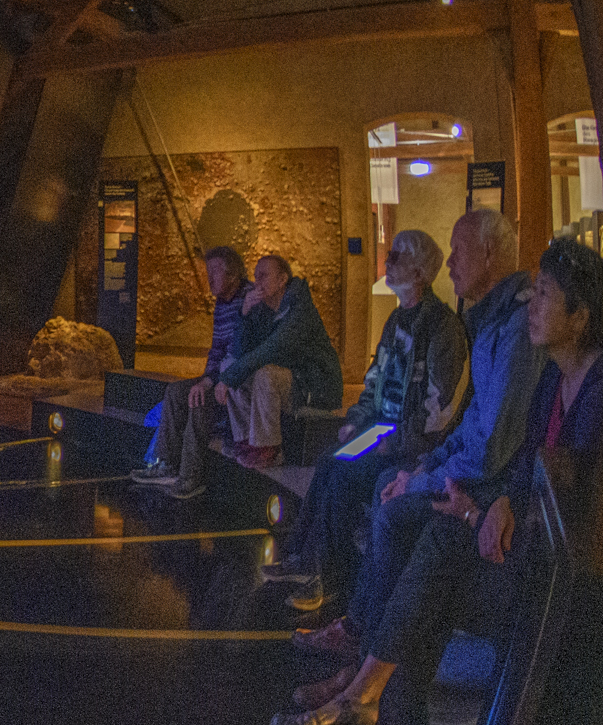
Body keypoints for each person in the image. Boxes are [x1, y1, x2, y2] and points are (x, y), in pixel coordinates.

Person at [272, 237, 603, 725]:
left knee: (437, 552)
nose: (533, 305)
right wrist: (498, 501)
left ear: (580, 316)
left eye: (546, 295)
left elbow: (577, 519)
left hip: (567, 586)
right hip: (534, 545)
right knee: (425, 541)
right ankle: (369, 701)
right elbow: (527, 461)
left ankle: (369, 705)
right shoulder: (556, 373)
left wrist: (479, 514)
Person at [291, 209, 543, 667]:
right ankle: (324, 580)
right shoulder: (467, 321)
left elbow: (460, 423)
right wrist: (363, 423)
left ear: (489, 253)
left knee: (378, 492)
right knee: (336, 461)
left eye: (458, 251)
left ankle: (364, 634)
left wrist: (416, 465)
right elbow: (385, 385)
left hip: (430, 452)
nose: (451, 263)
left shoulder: (485, 326)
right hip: (401, 439)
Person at [264, 230, 466, 613]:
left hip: (408, 442)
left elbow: (439, 409)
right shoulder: (395, 320)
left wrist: (397, 443)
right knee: (330, 461)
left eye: (396, 256)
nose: (387, 262)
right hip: (381, 429)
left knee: (345, 476)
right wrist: (356, 420)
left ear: (419, 273)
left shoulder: (442, 328)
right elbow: (375, 379)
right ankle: (302, 558)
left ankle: (330, 578)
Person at [131, 246, 251, 500]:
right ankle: (166, 464)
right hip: (219, 375)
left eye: (215, 271)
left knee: (199, 400)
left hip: (239, 377)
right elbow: (217, 348)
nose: (210, 278)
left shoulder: (248, 300)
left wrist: (210, 383)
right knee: (176, 391)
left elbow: (240, 352)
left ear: (233, 274)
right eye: (208, 271)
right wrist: (206, 379)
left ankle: (190, 477)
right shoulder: (222, 302)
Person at [213, 255, 344, 470]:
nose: (257, 282)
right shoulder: (263, 310)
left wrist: (227, 379)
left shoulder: (300, 310)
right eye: (255, 276)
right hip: (289, 381)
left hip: (314, 386)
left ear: (282, 280)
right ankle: (245, 441)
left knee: (266, 374)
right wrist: (244, 314)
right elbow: (239, 353)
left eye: (264, 276)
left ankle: (268, 449)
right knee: (228, 366)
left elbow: (272, 348)